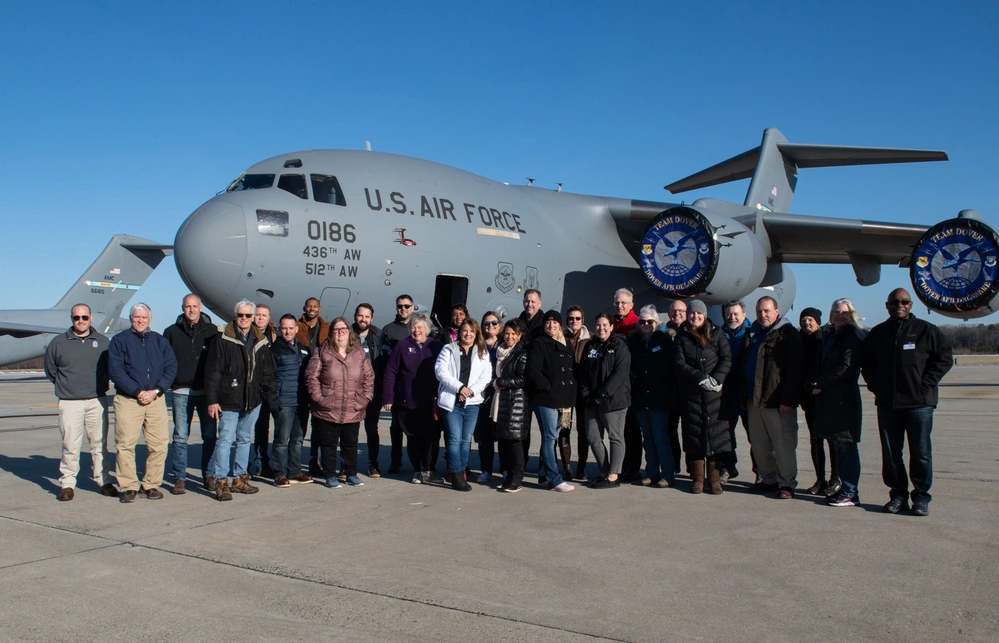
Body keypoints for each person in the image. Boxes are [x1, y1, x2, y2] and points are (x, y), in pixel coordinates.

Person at [862, 288, 953, 517]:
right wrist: (877, 387)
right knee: (891, 454)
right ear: (887, 305)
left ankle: (921, 497)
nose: (899, 305)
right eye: (894, 302)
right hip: (888, 404)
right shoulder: (878, 333)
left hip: (919, 404)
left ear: (911, 305)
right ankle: (898, 495)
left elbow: (944, 358)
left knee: (921, 453)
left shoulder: (926, 330)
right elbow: (867, 364)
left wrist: (925, 386)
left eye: (904, 302)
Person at [204, 300, 277, 501]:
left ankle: (239, 478)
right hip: (228, 399)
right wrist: (212, 400)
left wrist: (264, 396)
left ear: (253, 317)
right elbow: (213, 372)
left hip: (252, 401)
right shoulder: (223, 339)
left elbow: (267, 372)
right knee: (225, 440)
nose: (244, 319)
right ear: (235, 316)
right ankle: (221, 482)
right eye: (240, 315)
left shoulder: (261, 340)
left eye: (247, 315)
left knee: (245, 439)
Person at [44, 304, 116, 501]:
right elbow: (51, 369)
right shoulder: (58, 343)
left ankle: (104, 480)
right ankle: (67, 484)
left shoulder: (103, 342)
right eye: (77, 318)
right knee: (70, 444)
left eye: (84, 317)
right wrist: (67, 386)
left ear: (91, 318)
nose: (81, 321)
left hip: (96, 400)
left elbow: (110, 368)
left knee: (100, 444)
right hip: (69, 402)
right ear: (72, 319)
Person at [108, 303, 177, 503]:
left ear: (150, 319)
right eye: (136, 317)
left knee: (159, 444)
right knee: (125, 444)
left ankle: (151, 484)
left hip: (156, 399)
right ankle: (129, 486)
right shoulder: (119, 341)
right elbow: (116, 371)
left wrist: (156, 390)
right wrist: (137, 391)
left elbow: (171, 368)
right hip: (129, 399)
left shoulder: (160, 341)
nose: (140, 321)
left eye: (144, 318)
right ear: (131, 318)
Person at [739, 296, 804, 499]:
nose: (762, 315)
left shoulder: (787, 334)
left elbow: (796, 369)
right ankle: (768, 479)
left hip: (777, 402)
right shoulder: (753, 333)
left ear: (777, 311)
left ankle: (786, 483)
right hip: (754, 400)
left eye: (767, 311)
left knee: (783, 444)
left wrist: (788, 399)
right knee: (760, 445)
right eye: (759, 311)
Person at [807, 299, 865, 507]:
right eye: (836, 312)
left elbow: (847, 366)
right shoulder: (830, 334)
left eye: (844, 312)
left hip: (844, 400)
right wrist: (813, 381)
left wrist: (820, 383)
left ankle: (850, 491)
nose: (839, 315)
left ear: (852, 314)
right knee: (839, 446)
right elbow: (819, 362)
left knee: (847, 447)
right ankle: (844, 488)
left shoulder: (854, 335)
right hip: (830, 399)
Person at [671, 300, 733, 494]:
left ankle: (714, 480)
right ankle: (697, 480)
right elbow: (678, 363)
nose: (695, 316)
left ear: (704, 315)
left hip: (715, 394)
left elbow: (726, 358)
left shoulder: (717, 333)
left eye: (698, 313)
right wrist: (699, 378)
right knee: (694, 437)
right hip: (692, 395)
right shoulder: (682, 336)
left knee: (715, 437)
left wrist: (716, 378)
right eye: (691, 313)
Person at [306, 317, 375, 488]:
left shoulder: (358, 353)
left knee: (350, 444)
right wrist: (319, 398)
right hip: (328, 408)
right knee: (328, 445)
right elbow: (311, 377)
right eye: (336, 330)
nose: (340, 332)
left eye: (343, 329)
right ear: (331, 333)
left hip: (353, 407)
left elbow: (369, 377)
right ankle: (330, 476)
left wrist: (365, 398)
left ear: (348, 332)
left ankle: (351, 474)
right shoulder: (322, 352)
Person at [163, 294, 219, 494]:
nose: (192, 310)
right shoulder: (171, 332)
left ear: (200, 307)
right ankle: (179, 477)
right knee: (180, 436)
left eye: (195, 306)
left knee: (210, 435)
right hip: (181, 391)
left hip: (206, 393)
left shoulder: (212, 332)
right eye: (188, 306)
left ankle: (209, 475)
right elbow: (165, 361)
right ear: (182, 308)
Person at [382, 313, 443, 483]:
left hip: (431, 403)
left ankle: (430, 470)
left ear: (427, 329)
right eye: (414, 327)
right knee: (414, 438)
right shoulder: (402, 346)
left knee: (432, 438)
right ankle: (417, 470)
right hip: (407, 403)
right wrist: (388, 397)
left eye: (420, 327)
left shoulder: (437, 346)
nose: (416, 330)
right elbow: (390, 372)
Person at [436, 318, 492, 491]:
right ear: (459, 333)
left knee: (466, 440)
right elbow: (440, 371)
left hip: (472, 403)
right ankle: (456, 474)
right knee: (454, 438)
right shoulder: (448, 349)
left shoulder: (482, 352)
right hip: (452, 402)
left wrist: (471, 391)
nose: (467, 334)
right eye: (464, 330)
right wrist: (460, 388)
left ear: (476, 334)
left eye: (471, 331)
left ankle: (460, 470)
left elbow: (486, 375)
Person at [525, 310, 577, 493]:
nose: (551, 325)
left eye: (555, 322)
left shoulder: (566, 344)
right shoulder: (539, 344)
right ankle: (555, 479)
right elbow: (533, 371)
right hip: (546, 398)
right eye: (548, 322)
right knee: (549, 438)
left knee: (552, 438)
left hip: (563, 399)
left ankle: (543, 476)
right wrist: (549, 387)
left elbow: (571, 371)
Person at [579, 313, 631, 489]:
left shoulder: (619, 346)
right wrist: (586, 394)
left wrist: (602, 394)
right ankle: (603, 472)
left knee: (615, 437)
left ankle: (614, 475)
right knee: (593, 437)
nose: (601, 328)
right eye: (598, 325)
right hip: (592, 401)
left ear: (611, 326)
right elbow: (583, 373)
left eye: (604, 325)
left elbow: (620, 374)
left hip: (613, 401)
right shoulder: (590, 346)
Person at [628, 305, 674, 488]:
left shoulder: (664, 341)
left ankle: (668, 474)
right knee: (647, 438)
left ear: (657, 323)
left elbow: (669, 367)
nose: (646, 324)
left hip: (659, 397)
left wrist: (654, 381)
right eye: (643, 322)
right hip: (640, 397)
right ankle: (652, 472)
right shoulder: (634, 342)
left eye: (650, 321)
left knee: (660, 436)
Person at [270, 314, 314, 488]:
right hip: (284, 401)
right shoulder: (274, 350)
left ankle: (294, 471)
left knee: (297, 439)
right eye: (284, 328)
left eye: (291, 328)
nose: (288, 331)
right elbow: (269, 377)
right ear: (280, 330)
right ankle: (279, 474)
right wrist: (274, 400)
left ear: (296, 329)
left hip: (301, 401)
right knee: (281, 439)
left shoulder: (303, 349)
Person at [799, 306, 839, 496]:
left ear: (817, 321)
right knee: (815, 440)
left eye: (810, 320)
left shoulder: (825, 339)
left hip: (825, 396)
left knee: (831, 439)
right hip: (808, 397)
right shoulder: (799, 341)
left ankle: (835, 479)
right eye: (803, 320)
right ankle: (820, 480)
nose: (806, 323)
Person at [378, 294, 416, 474]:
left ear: (413, 307)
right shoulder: (388, 330)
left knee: (413, 428)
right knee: (395, 427)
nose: (403, 309)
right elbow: (383, 361)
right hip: (396, 387)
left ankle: (416, 460)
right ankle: (395, 460)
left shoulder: (418, 329)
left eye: (407, 306)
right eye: (400, 306)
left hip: (414, 387)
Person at [492, 319, 530, 492]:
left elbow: (523, 379)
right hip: (502, 401)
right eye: (507, 333)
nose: (509, 336)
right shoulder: (501, 352)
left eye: (513, 334)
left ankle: (517, 477)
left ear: (519, 335)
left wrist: (500, 381)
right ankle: (508, 475)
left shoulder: (521, 353)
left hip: (516, 402)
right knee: (505, 440)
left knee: (515, 441)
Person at [296, 297, 329, 477]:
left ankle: (314, 461)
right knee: (299, 426)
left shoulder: (326, 329)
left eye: (315, 306)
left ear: (320, 309)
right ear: (304, 308)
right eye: (309, 306)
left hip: (319, 383)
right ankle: (294, 462)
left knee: (318, 426)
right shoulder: (296, 327)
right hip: (300, 383)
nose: (312, 309)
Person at [719, 300, 751, 483]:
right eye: (729, 314)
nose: (732, 317)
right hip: (726, 392)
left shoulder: (751, 334)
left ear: (743, 315)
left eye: (736, 314)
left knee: (755, 436)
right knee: (725, 435)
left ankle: (761, 472)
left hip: (746, 392)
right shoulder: (719, 334)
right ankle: (728, 467)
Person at [612, 288, 642, 481]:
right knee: (619, 430)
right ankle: (621, 465)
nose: (620, 306)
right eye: (617, 303)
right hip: (617, 386)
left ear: (631, 305)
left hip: (632, 385)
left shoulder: (638, 324)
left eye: (624, 303)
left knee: (632, 429)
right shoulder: (612, 324)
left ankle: (634, 467)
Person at [353, 303, 383, 477]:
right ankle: (347, 464)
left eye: (366, 316)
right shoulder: (346, 334)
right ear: (355, 316)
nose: (363, 319)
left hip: (372, 392)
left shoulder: (378, 337)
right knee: (350, 430)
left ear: (371, 318)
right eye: (360, 315)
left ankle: (373, 463)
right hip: (351, 392)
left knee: (372, 429)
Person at [473, 311, 502, 482]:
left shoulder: (505, 344)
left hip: (500, 393)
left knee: (503, 434)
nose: (490, 326)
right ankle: (486, 469)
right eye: (486, 323)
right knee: (484, 436)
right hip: (482, 394)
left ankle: (505, 469)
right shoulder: (478, 345)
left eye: (493, 323)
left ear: (500, 325)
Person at [250, 303, 277, 478]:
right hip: (252, 388)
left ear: (269, 317)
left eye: (264, 315)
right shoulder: (248, 334)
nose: (260, 318)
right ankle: (247, 467)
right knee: (247, 429)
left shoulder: (274, 336)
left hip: (269, 388)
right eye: (258, 315)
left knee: (264, 429)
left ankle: (263, 463)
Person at [564, 305, 591, 480]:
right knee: (564, 430)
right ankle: (567, 467)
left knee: (584, 431)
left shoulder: (590, 340)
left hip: (582, 392)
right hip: (565, 392)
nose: (574, 322)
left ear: (582, 321)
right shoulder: (561, 338)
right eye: (571, 319)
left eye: (577, 318)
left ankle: (582, 467)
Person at [661, 299, 687, 474]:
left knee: (690, 431)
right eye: (673, 311)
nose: (676, 313)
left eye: (681, 311)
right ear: (669, 314)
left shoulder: (693, 332)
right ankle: (674, 465)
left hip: (688, 390)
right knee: (669, 430)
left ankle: (694, 469)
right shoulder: (662, 334)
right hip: (669, 391)